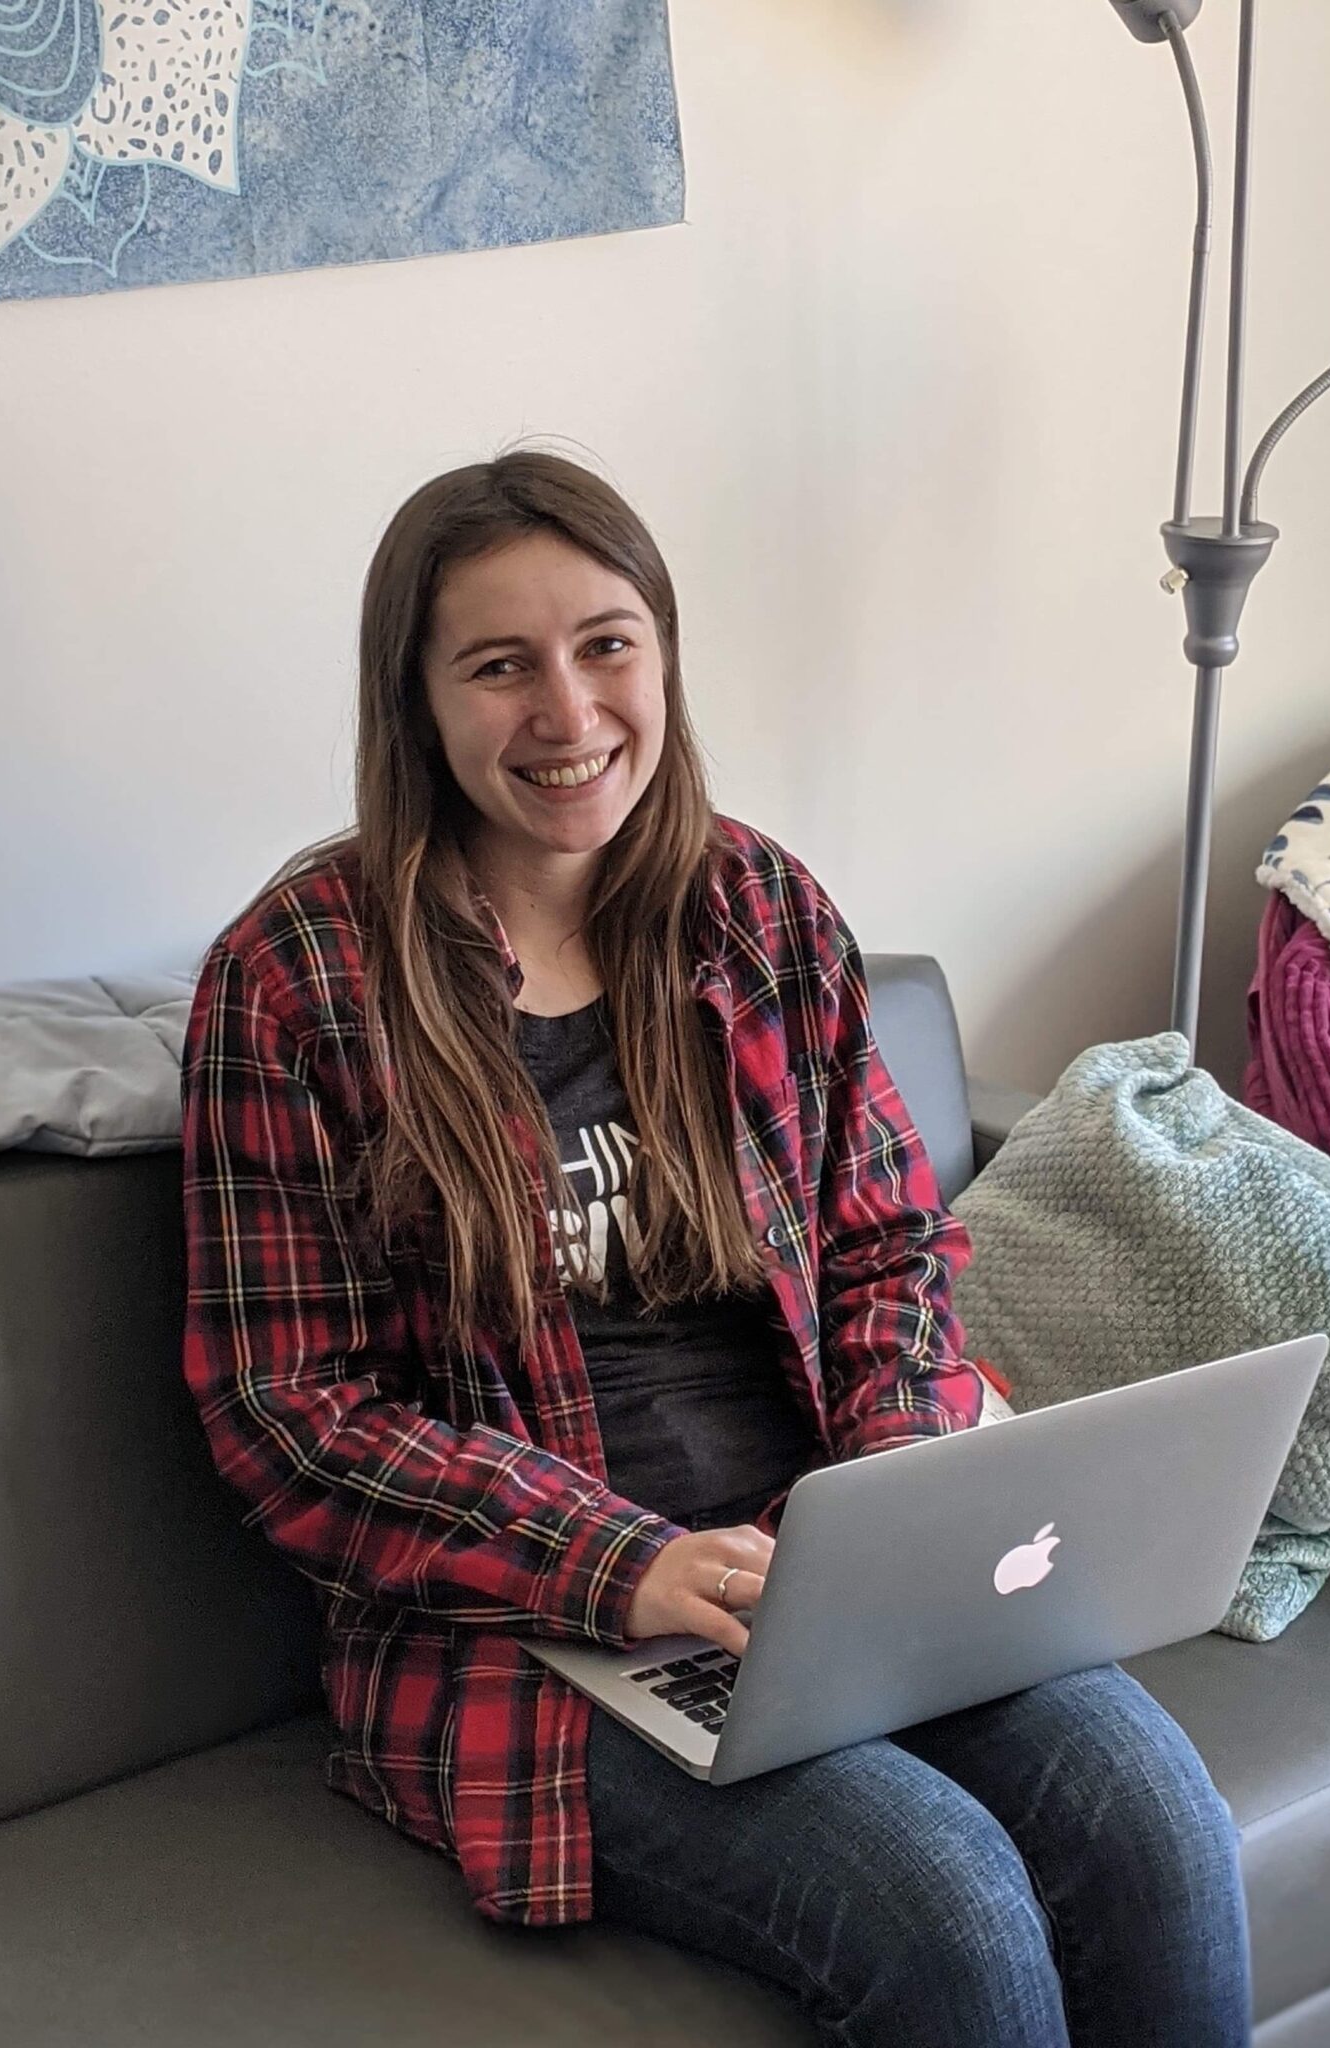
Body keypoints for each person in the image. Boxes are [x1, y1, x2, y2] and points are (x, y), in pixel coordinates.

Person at [180, 450, 1251, 2046]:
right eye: (500, 665)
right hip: (527, 1632)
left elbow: (888, 1240)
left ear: (664, 653)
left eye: (607, 644)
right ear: (415, 701)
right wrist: (631, 1567)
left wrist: (899, 1487)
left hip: (833, 1558)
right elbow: (291, 1415)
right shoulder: (297, 984)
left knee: (1157, 1821)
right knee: (947, 1903)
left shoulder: (756, 908)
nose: (568, 710)